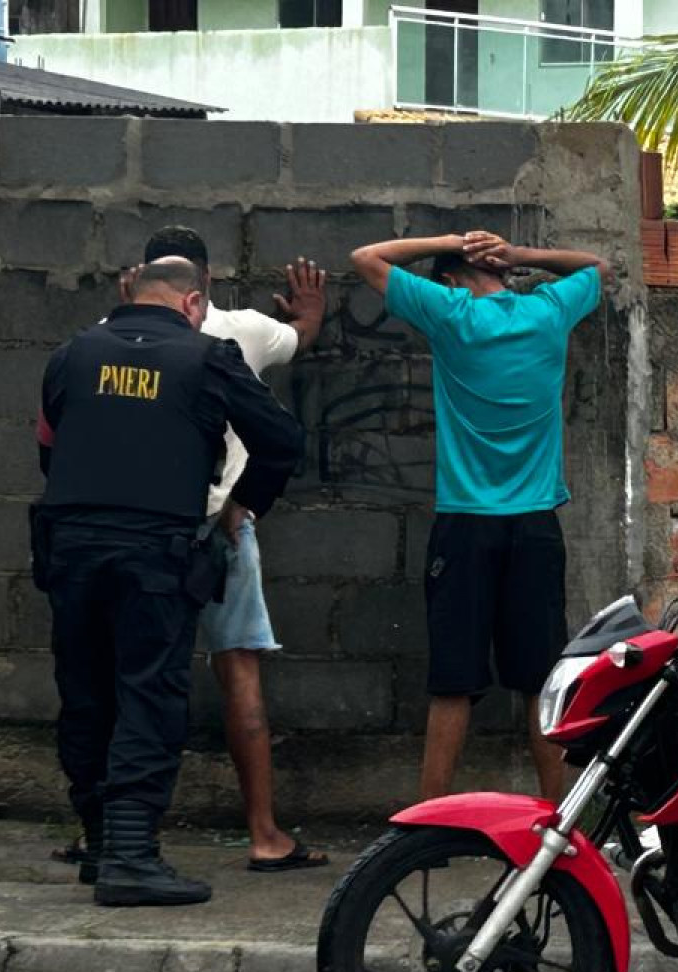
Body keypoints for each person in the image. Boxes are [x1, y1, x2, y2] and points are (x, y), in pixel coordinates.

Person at [33, 258, 305, 907]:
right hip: (154, 555)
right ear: (192, 303)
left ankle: (101, 843)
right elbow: (281, 440)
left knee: (86, 694)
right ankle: (130, 855)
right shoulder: (208, 356)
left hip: (71, 549)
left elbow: (48, 447)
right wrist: (243, 503)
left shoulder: (71, 354)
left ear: (129, 292)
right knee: (148, 697)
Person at [350, 228, 612, 803]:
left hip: (466, 525)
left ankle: (429, 821)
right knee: (542, 681)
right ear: (500, 272)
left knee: (452, 683)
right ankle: (554, 818)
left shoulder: (451, 313)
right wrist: (523, 255)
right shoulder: (548, 311)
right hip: (536, 524)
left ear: (448, 279)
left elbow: (366, 256)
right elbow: (597, 266)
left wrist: (446, 240)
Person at [142, 225, 330, 874]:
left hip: (144, 529)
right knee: (240, 670)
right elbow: (300, 339)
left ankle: (113, 833)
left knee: (132, 674)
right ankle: (264, 834)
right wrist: (311, 313)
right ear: (206, 283)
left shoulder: (121, 336)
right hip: (223, 524)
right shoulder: (242, 330)